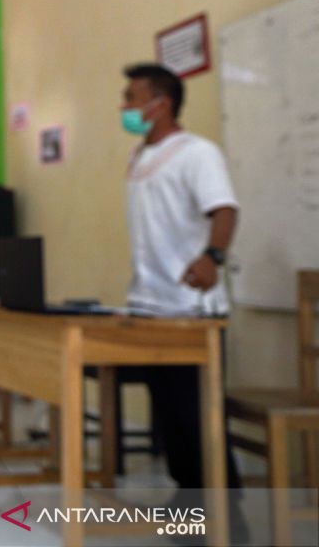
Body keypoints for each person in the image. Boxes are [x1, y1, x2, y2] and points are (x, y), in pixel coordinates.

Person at [120, 64, 243, 511]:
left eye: (132, 98)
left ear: (161, 103)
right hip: (149, 305)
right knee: (170, 420)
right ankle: (188, 508)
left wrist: (213, 257)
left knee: (198, 419)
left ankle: (228, 519)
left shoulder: (197, 152)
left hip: (192, 309)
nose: (125, 107)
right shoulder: (139, 157)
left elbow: (224, 209)